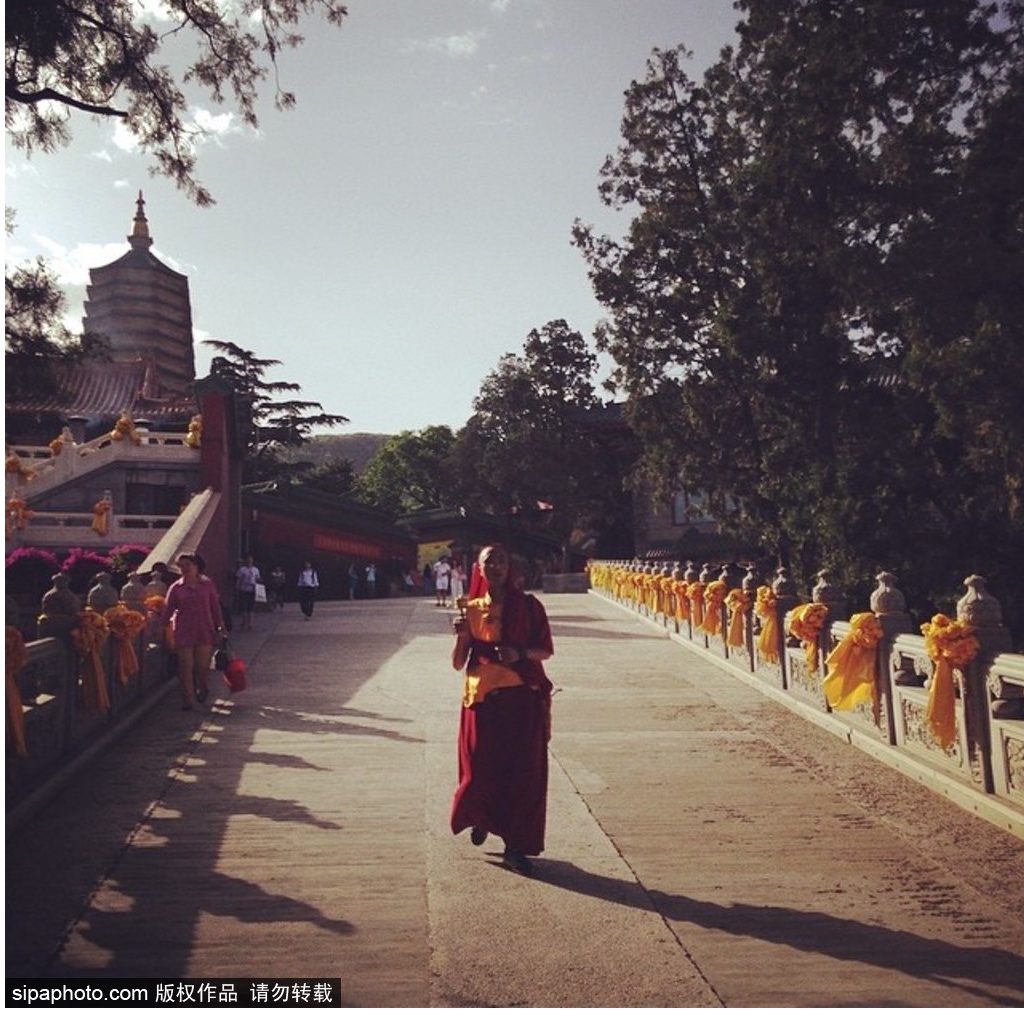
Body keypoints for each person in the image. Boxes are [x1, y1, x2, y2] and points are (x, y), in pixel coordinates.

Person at [449, 544, 554, 877]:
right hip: (481, 701)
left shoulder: (529, 606)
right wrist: (462, 636)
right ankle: (481, 816)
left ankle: (515, 846)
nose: (495, 565)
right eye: (488, 561)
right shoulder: (471, 610)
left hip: (521, 699)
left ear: (510, 567)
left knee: (522, 774)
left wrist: (520, 653)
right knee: (478, 770)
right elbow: (456, 663)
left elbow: (545, 651)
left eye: (502, 560)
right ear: (478, 569)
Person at [160, 551, 226, 710]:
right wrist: (161, 628)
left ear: (196, 566)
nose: (184, 569)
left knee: (202, 666)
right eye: (180, 566)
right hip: (184, 630)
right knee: (185, 667)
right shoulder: (176, 588)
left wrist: (221, 624)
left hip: (204, 629)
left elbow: (214, 606)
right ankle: (187, 700)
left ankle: (202, 687)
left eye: (187, 565)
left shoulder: (207, 585)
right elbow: (168, 610)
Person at [235, 553, 261, 630]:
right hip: (244, 589)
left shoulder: (256, 570)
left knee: (251, 607)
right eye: (248, 559)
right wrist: (237, 588)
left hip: (252, 590)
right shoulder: (242, 570)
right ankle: (244, 622)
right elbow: (238, 579)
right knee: (244, 607)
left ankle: (250, 623)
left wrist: (259, 586)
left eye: (251, 559)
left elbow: (258, 579)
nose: (249, 561)